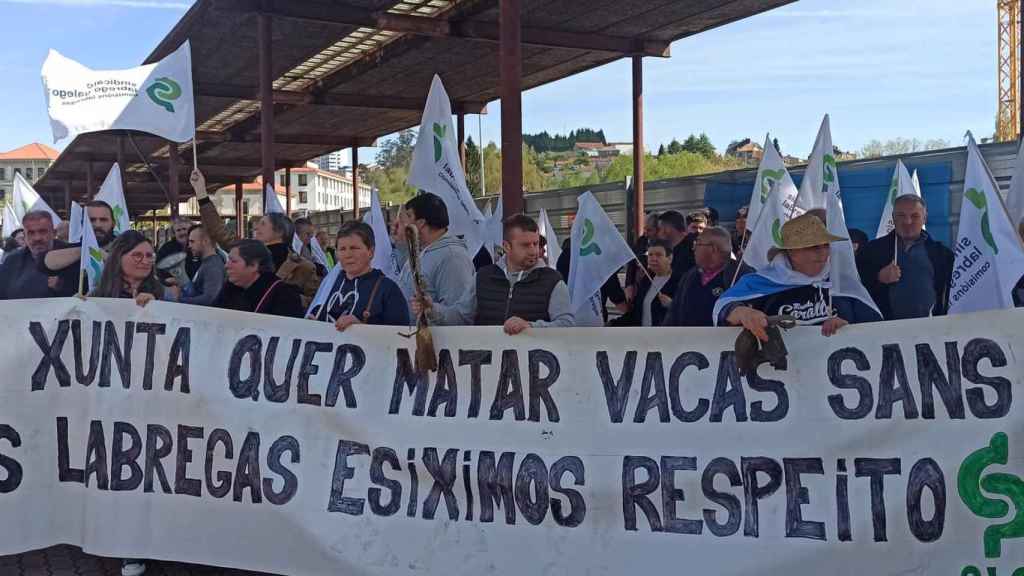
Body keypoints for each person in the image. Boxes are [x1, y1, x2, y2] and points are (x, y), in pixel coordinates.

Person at [716, 213, 875, 339]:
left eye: (826, 246)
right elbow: (723, 306)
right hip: (780, 371)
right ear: (791, 252)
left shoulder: (842, 280)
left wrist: (849, 327)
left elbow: (876, 327)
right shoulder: (762, 281)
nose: (822, 253)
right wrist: (742, 312)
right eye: (812, 247)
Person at [416, 214, 574, 332]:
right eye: (525, 245)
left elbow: (567, 324)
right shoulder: (483, 277)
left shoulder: (552, 280)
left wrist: (530, 326)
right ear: (506, 246)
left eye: (535, 243)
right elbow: (462, 316)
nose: (533, 250)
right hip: (487, 368)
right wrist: (432, 309)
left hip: (535, 372)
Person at [190, 169, 321, 303]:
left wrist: (284, 298)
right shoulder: (246, 251)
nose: (256, 227)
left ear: (280, 231)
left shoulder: (304, 267)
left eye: (263, 224)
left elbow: (316, 303)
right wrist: (201, 194)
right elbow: (218, 231)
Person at [856, 195, 954, 320]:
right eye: (901, 216)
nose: (908, 221)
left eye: (915, 216)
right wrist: (878, 277)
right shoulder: (871, 251)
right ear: (893, 218)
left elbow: (954, 294)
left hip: (931, 332)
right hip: (883, 333)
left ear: (924, 218)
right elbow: (854, 288)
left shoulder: (942, 255)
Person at [309, 221, 409, 330]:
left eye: (354, 248)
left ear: (371, 252)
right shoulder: (331, 283)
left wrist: (362, 329)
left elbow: (400, 337)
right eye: (342, 249)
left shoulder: (388, 290)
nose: (348, 255)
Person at [394, 192, 475, 311]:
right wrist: (402, 244)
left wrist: (432, 310)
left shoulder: (452, 258)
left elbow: (460, 314)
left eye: (409, 216)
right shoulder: (422, 252)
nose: (403, 224)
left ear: (420, 223)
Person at [664, 227, 748, 327]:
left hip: (723, 341)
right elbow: (674, 313)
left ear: (713, 249)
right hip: (686, 340)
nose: (693, 248)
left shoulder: (741, 276)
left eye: (698, 244)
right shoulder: (690, 275)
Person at [214, 239, 304, 318]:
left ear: (254, 265)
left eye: (233, 261)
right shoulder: (230, 288)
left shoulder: (285, 296)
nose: (226, 265)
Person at [0, 211, 78, 299]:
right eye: (31, 233)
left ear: (54, 233)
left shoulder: (74, 256)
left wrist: (62, 287)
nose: (37, 238)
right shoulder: (12, 261)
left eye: (43, 231)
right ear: (25, 236)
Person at [556, 235, 628, 324]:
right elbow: (615, 294)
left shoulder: (563, 258)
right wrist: (631, 315)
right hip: (595, 316)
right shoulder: (599, 258)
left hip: (568, 318)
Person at [40, 201, 117, 276]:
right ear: (82, 223)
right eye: (91, 220)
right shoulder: (71, 248)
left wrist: (107, 258)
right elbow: (44, 263)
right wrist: (87, 251)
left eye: (103, 220)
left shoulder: (125, 246)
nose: (98, 225)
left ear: (113, 223)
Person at [90, 231, 163, 305]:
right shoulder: (98, 295)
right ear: (118, 257)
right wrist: (81, 306)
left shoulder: (166, 294)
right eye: (137, 255)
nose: (145, 261)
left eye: (149, 256)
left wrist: (155, 306)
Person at [614, 239, 673, 327]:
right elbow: (635, 314)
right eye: (650, 255)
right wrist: (612, 324)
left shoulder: (680, 281)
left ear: (669, 258)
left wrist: (672, 304)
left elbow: (688, 313)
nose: (653, 258)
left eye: (658, 255)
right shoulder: (646, 281)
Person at [164, 225, 225, 306]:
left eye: (192, 241)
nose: (189, 246)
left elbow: (209, 299)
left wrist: (178, 300)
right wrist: (182, 284)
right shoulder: (208, 262)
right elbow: (198, 291)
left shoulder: (213, 266)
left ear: (205, 241)